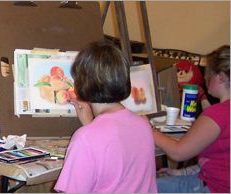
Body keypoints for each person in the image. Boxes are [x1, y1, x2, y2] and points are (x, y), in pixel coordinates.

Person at [54, 40, 157, 193]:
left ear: (81, 84)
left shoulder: (85, 139)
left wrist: (90, 129)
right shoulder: (143, 124)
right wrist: (91, 124)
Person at [154, 45, 230, 193]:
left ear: (220, 77)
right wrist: (181, 172)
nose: (205, 78)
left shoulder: (218, 114)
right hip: (209, 179)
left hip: (214, 188)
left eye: (208, 73)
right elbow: (219, 161)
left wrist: (150, 131)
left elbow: (178, 152)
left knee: (144, 187)